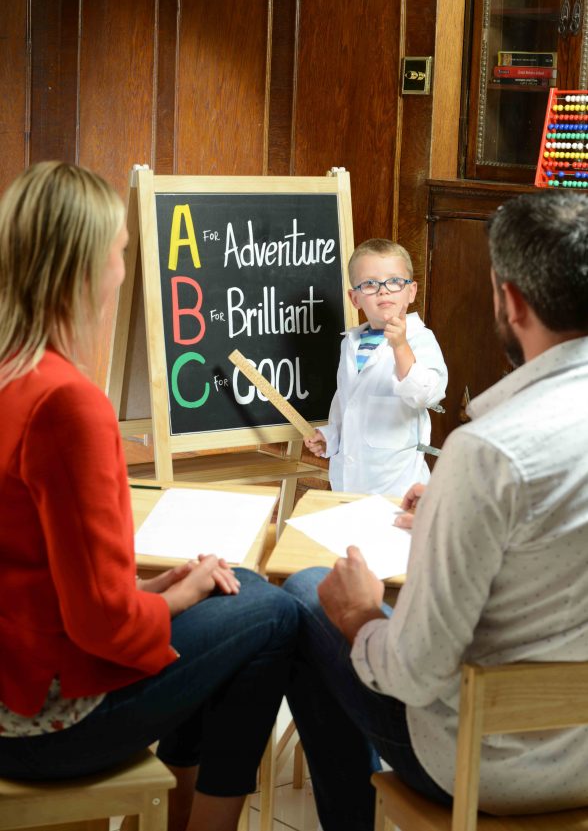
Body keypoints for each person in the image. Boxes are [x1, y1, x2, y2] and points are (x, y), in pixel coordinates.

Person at [0, 161, 299, 831]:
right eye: (121, 250)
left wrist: (159, 591)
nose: (123, 267)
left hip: (14, 682)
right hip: (45, 722)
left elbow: (43, 575)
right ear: (83, 267)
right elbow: (100, 625)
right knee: (272, 612)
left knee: (232, 593)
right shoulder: (66, 403)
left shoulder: (11, 377)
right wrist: (180, 595)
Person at [284, 190, 588, 831]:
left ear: (511, 301)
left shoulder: (488, 453)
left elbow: (415, 671)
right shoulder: (481, 457)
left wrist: (363, 616)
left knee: (309, 597)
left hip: (497, 763)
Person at [304, 238, 447, 496]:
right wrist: (330, 436)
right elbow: (346, 403)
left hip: (397, 486)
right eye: (369, 284)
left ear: (411, 291)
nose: (383, 291)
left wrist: (401, 346)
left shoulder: (419, 339)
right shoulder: (351, 343)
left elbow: (427, 394)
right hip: (348, 481)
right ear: (355, 298)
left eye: (394, 282)